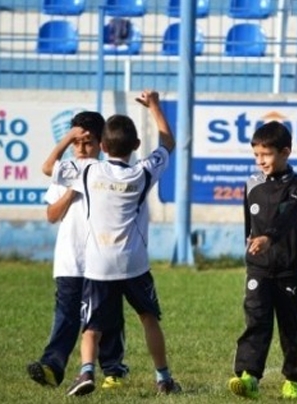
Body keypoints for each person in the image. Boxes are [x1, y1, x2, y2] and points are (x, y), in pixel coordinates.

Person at [56, 90, 181, 397]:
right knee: (148, 318)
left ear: (102, 146)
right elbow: (168, 143)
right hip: (134, 262)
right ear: (136, 146)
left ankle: (86, 371)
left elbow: (50, 167)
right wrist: (154, 106)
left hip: (98, 264)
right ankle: (163, 377)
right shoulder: (142, 172)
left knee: (92, 326)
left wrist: (70, 136)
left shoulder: (87, 170)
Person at [27, 111, 129, 390]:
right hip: (70, 258)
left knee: (107, 315)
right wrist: (72, 190)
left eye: (88, 143)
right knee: (67, 314)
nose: (82, 149)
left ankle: (113, 369)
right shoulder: (68, 171)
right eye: (76, 143)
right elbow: (51, 214)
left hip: (103, 257)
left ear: (102, 144)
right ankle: (52, 365)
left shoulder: (107, 173)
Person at [227, 121, 297, 400]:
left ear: (285, 152)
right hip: (258, 268)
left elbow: (290, 215)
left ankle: (293, 379)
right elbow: (248, 224)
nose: (260, 160)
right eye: (256, 155)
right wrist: (251, 247)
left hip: (288, 266)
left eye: (266, 154)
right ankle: (249, 376)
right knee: (256, 319)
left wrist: (269, 237)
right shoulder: (252, 184)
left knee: (290, 325)